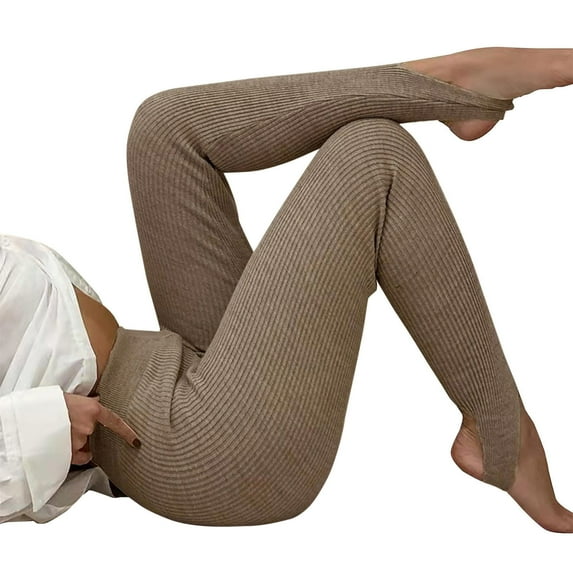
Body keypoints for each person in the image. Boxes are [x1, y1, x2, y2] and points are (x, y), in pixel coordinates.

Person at [1, 46, 572, 532]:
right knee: (374, 156)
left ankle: (447, 86)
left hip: (164, 367)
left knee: (164, 128)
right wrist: (40, 429)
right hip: (193, 443)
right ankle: (503, 437)